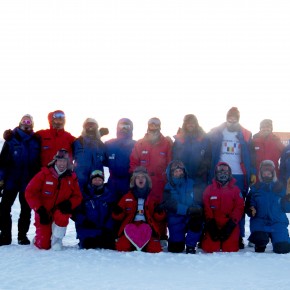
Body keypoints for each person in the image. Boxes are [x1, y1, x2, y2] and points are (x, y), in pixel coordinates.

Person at [207, 107, 254, 249]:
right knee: (216, 204)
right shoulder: (217, 132)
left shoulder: (246, 134)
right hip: (219, 171)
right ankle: (213, 233)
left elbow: (250, 155)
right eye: (230, 116)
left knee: (237, 206)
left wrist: (252, 172)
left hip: (239, 174)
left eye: (235, 117)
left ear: (238, 118)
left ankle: (238, 235)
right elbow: (203, 139)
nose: (232, 119)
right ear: (227, 117)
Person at [25, 149, 82, 250]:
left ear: (68, 163)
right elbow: (30, 192)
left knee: (63, 215)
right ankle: (40, 238)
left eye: (64, 161)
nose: (62, 164)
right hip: (44, 212)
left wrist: (69, 203)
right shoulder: (44, 174)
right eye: (59, 161)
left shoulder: (72, 177)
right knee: (43, 246)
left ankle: (57, 241)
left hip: (59, 211)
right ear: (55, 161)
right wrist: (39, 209)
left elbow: (78, 196)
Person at [0, 114, 41, 246]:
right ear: (20, 123)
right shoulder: (11, 139)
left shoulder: (36, 140)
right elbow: (2, 162)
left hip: (28, 182)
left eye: (29, 121)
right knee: (4, 208)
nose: (27, 123)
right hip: (11, 180)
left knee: (26, 210)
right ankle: (5, 236)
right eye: (24, 121)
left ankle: (22, 236)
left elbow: (40, 160)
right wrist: (1, 179)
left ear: (32, 124)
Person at [129, 117, 172, 242]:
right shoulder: (140, 143)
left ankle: (162, 235)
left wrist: (168, 180)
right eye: (151, 124)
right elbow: (133, 162)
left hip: (160, 183)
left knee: (160, 209)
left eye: (156, 124)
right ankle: (146, 234)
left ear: (160, 126)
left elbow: (170, 163)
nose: (153, 126)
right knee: (144, 208)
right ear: (147, 126)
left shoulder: (166, 143)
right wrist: (136, 179)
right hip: (144, 184)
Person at [112, 166, 166, 253]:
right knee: (122, 246)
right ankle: (136, 244)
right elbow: (118, 217)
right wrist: (117, 211)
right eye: (138, 177)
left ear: (147, 180)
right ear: (134, 180)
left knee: (155, 249)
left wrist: (159, 211)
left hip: (147, 227)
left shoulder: (152, 197)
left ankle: (141, 244)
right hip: (130, 227)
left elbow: (159, 218)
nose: (140, 179)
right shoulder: (127, 197)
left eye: (143, 177)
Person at [246, 160, 290, 254]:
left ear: (273, 174)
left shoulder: (280, 188)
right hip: (260, 221)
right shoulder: (255, 188)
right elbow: (250, 204)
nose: (266, 175)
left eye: (269, 173)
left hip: (277, 222)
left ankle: (277, 238)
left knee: (283, 249)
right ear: (261, 174)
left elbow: (287, 209)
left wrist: (288, 199)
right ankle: (262, 239)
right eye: (264, 173)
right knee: (259, 245)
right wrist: (250, 209)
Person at [159, 160, 203, 254]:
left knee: (198, 220)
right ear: (171, 173)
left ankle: (191, 245)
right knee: (175, 249)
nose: (179, 173)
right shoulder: (168, 187)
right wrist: (187, 210)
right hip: (175, 219)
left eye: (180, 171)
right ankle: (179, 241)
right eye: (176, 171)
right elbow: (170, 204)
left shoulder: (192, 183)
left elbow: (198, 199)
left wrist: (196, 209)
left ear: (184, 171)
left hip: (190, 216)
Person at [202, 162, 244, 253]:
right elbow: (206, 206)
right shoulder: (209, 189)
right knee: (210, 249)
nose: (223, 174)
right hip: (214, 223)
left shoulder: (235, 190)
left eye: (225, 172)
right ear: (216, 174)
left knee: (230, 249)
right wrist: (210, 223)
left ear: (229, 174)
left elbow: (239, 207)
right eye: (220, 172)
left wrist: (231, 224)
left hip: (229, 223)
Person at [74, 169, 116, 250]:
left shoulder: (109, 195)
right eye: (95, 179)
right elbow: (77, 212)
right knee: (89, 244)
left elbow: (112, 214)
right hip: (87, 229)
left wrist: (107, 227)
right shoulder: (84, 194)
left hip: (103, 230)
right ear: (91, 180)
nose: (97, 181)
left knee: (109, 244)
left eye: (99, 179)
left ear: (103, 181)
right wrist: (84, 221)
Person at [173, 114, 211, 198]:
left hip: (199, 178)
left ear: (196, 124)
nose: (190, 124)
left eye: (193, 122)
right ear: (185, 124)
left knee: (198, 201)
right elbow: (174, 158)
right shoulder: (179, 140)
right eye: (188, 123)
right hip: (182, 177)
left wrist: (203, 169)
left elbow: (208, 157)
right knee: (182, 200)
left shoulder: (204, 139)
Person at [105, 118, 136, 200]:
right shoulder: (109, 144)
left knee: (128, 207)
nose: (124, 128)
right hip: (112, 183)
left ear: (131, 128)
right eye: (122, 125)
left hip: (128, 183)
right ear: (117, 127)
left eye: (127, 126)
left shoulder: (136, 145)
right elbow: (101, 160)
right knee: (111, 207)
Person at [73, 118, 106, 193]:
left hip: (96, 180)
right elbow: (68, 158)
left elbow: (107, 161)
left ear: (96, 127)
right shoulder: (78, 142)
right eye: (88, 124)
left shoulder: (101, 145)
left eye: (93, 125)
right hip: (80, 180)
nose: (90, 126)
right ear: (84, 127)